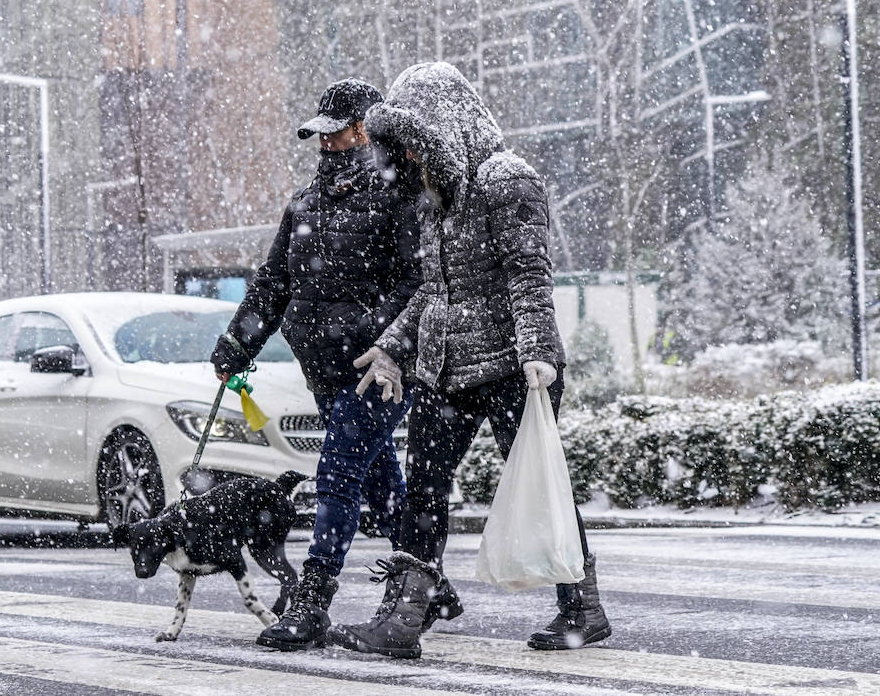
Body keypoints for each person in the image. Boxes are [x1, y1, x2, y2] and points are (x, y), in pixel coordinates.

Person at [328, 61, 612, 659]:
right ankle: (404, 618)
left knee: (542, 488)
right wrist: (392, 344)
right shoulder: (435, 196)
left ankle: (582, 607)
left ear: (441, 127)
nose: (404, 160)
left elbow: (529, 274)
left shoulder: (506, 179)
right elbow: (433, 288)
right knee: (425, 490)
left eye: (413, 144)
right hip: (445, 370)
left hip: (513, 367)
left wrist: (537, 354)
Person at [210, 78, 454, 652]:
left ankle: (312, 602)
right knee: (380, 480)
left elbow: (418, 282)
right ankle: (426, 584)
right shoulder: (305, 203)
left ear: (366, 129)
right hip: (322, 367)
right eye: (321, 136)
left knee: (338, 478)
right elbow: (272, 284)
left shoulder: (398, 196)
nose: (327, 146)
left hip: (377, 369)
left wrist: (382, 338)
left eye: (337, 134)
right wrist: (234, 348)